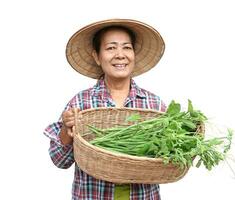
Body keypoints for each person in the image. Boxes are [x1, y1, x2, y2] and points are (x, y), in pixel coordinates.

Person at [43, 19, 166, 200]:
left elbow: (165, 164)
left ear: (134, 54)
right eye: (111, 48)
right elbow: (60, 161)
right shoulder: (81, 103)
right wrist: (66, 132)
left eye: (126, 47)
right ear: (96, 56)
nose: (120, 54)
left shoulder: (154, 105)